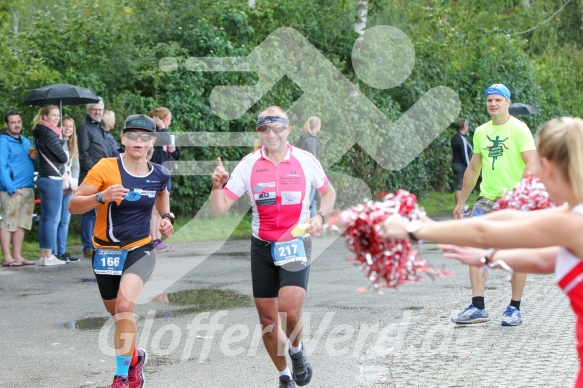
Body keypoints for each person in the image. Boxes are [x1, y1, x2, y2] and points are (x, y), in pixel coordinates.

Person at [382, 116, 583, 388]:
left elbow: (485, 234)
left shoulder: (573, 222)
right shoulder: (572, 214)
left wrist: (417, 230)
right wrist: (488, 258)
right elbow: (540, 253)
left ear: (547, 167)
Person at [211, 106, 336, 388]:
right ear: (259, 132)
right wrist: (217, 185)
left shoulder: (305, 160)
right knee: (268, 318)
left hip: (296, 241)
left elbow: (328, 192)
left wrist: (320, 216)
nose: (271, 133)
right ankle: (284, 376)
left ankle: (297, 350)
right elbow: (219, 207)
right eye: (264, 127)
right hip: (263, 246)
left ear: (288, 130)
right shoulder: (249, 164)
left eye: (277, 127)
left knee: (290, 310)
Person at [69, 114, 174, 388]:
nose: (138, 141)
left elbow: (162, 192)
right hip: (105, 252)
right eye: (133, 135)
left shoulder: (159, 173)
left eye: (145, 136)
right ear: (124, 138)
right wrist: (101, 196)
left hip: (140, 248)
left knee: (125, 306)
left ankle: (120, 377)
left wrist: (167, 217)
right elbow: (74, 204)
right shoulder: (106, 167)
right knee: (118, 314)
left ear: (153, 140)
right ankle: (136, 357)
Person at [448, 84, 537, 326]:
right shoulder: (480, 132)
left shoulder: (520, 129)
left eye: (498, 100)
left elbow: (532, 163)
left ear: (508, 102)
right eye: (490, 100)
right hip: (486, 199)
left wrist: (520, 195)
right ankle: (478, 306)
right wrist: (461, 202)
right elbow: (473, 168)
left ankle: (514, 308)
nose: (493, 104)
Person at [33, 105, 69, 266]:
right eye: (53, 115)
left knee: (46, 219)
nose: (56, 118)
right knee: (52, 219)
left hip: (44, 177)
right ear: (45, 116)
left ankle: (44, 254)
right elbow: (62, 157)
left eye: (58, 115)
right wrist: (61, 140)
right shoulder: (49, 133)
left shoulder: (41, 132)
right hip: (52, 178)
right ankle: (48, 255)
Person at [77, 98, 113, 258]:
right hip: (92, 175)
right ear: (88, 110)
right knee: (90, 211)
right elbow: (83, 152)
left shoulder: (100, 127)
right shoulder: (84, 127)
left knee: (103, 211)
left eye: (100, 109)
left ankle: (100, 242)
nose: (98, 112)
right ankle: (88, 246)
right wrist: (95, 171)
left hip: (105, 174)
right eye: (94, 109)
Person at [0, 111, 37, 266]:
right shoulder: (3, 141)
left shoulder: (26, 141)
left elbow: (29, 164)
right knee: (8, 223)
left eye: (18, 121)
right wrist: (10, 188)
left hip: (28, 187)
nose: (16, 125)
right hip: (12, 190)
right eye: (13, 122)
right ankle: (7, 257)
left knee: (22, 223)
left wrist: (34, 159)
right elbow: (1, 166)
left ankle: (18, 255)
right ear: (6, 124)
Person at [148, 107, 179, 252]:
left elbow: (176, 155)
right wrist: (161, 129)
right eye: (169, 118)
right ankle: (153, 239)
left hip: (166, 173)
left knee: (162, 210)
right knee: (155, 210)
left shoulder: (167, 135)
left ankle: (158, 239)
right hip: (156, 173)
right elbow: (156, 155)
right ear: (163, 119)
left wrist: (173, 151)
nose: (170, 121)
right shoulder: (154, 135)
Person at [53, 116, 80, 263]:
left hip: (69, 188)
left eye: (70, 126)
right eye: (65, 126)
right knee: (55, 219)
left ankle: (62, 251)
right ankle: (53, 251)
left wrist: (74, 183)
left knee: (65, 220)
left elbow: (75, 166)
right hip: (58, 184)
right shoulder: (56, 143)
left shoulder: (73, 145)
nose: (68, 128)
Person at [295, 116, 321, 217]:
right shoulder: (311, 139)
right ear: (316, 126)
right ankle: (304, 229)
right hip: (309, 176)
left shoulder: (303, 137)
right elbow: (313, 159)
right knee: (308, 203)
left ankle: (312, 229)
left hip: (302, 174)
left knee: (313, 201)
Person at [450, 118, 473, 209]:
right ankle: (460, 207)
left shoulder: (455, 137)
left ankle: (461, 206)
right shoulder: (461, 138)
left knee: (461, 185)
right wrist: (469, 167)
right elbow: (465, 154)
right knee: (460, 186)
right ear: (464, 127)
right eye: (467, 125)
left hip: (456, 163)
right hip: (461, 165)